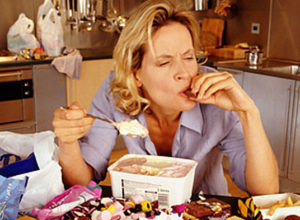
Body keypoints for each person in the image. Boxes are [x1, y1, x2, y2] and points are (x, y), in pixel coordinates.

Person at [53, 0, 279, 196]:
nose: (185, 72)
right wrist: (68, 140)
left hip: (207, 215)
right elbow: (81, 183)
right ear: (136, 73)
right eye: (164, 62)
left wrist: (248, 112)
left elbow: (265, 190)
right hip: (141, 214)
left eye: (189, 57)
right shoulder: (116, 92)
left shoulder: (217, 96)